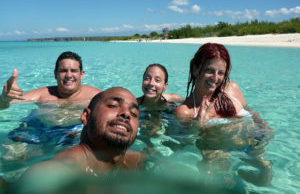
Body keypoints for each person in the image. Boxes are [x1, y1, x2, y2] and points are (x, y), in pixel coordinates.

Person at [174, 43, 272, 186]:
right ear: (195, 69)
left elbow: (251, 112)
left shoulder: (232, 89)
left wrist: (264, 127)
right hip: (216, 150)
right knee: (212, 183)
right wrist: (198, 125)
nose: (215, 78)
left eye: (221, 73)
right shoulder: (185, 110)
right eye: (209, 71)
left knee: (264, 179)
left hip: (253, 143)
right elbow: (184, 144)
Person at [11, 87, 144, 193]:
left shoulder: (141, 161)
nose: (126, 114)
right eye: (113, 105)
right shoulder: (56, 177)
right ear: (86, 116)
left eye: (134, 113)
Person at [0, 51, 101, 109]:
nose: (69, 75)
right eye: (63, 71)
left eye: (73, 70)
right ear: (55, 74)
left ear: (81, 74)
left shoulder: (95, 97)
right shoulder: (42, 94)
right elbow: (4, 105)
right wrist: (4, 98)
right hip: (39, 131)